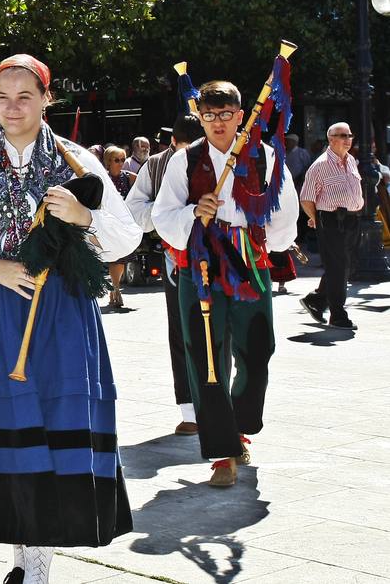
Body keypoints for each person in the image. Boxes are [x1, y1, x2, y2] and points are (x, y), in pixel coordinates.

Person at [0, 55, 139, 584]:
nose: (11, 107)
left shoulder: (77, 162)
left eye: (24, 96)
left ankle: (35, 563)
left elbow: (127, 236)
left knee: (53, 427)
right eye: (1, 97)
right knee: (7, 429)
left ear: (46, 100)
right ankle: (24, 557)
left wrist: (85, 217)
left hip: (61, 311)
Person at [152, 80, 298, 488]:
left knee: (257, 347)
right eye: (209, 115)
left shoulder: (265, 156)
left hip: (248, 258)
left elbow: (284, 212)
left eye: (226, 114)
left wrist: (270, 239)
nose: (218, 123)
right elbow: (164, 217)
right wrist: (194, 213)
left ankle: (239, 426)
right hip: (200, 263)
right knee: (206, 357)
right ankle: (221, 451)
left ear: (240, 115)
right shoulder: (185, 161)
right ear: (200, 118)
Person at [126, 112, 205, 436]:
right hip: (175, 258)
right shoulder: (156, 165)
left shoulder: (221, 159)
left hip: (221, 256)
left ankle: (220, 403)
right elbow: (134, 210)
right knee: (183, 330)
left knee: (222, 332)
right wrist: (167, 214)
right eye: (184, 147)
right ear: (172, 143)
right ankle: (190, 409)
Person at [298, 122, 363, 331]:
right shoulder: (320, 165)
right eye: (342, 135)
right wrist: (316, 219)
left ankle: (316, 300)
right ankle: (337, 314)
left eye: (349, 135)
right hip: (332, 220)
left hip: (352, 219)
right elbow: (306, 198)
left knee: (347, 266)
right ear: (331, 139)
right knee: (338, 267)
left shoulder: (351, 160)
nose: (347, 139)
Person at [102, 145, 136, 310]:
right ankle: (115, 290)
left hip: (123, 224)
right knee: (113, 257)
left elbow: (143, 192)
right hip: (108, 223)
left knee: (121, 258)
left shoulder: (129, 178)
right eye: (117, 160)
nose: (121, 163)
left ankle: (115, 289)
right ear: (108, 162)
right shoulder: (102, 179)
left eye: (123, 159)